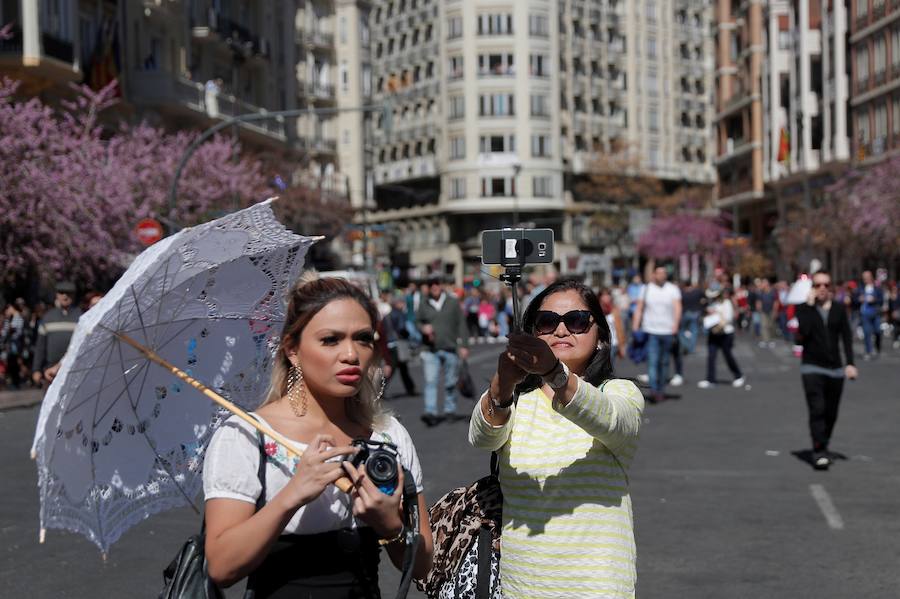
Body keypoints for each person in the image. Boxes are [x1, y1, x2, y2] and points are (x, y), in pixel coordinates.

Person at [203, 276, 433, 597]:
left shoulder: (388, 435)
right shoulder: (244, 435)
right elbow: (221, 566)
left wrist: (390, 526)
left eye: (364, 338)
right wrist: (292, 495)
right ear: (292, 349)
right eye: (330, 340)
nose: (351, 354)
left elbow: (422, 566)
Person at [469, 279, 644, 598]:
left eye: (576, 321)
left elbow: (612, 419)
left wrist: (555, 373)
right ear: (533, 333)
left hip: (596, 585)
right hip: (523, 584)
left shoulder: (618, 393)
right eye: (547, 322)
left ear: (601, 337)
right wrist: (500, 387)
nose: (561, 331)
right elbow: (482, 438)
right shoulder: (518, 400)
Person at [795, 271, 858, 470]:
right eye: (818, 285)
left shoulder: (839, 309)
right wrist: (809, 306)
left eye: (826, 285)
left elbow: (846, 338)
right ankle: (818, 450)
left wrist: (850, 363)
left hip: (835, 368)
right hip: (811, 366)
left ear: (831, 288)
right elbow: (801, 334)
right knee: (817, 409)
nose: (822, 288)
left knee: (831, 413)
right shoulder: (804, 309)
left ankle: (824, 443)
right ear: (812, 288)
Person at [416, 277, 469, 426]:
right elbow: (417, 321)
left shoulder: (452, 302)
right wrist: (423, 328)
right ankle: (430, 412)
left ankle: (450, 410)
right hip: (430, 349)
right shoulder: (424, 302)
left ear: (441, 285)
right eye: (431, 284)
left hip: (450, 347)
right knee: (430, 381)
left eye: (437, 284)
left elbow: (461, 324)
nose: (434, 286)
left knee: (450, 382)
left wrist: (464, 345)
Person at [632, 266, 682, 404]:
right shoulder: (646, 289)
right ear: (654, 274)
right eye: (659, 273)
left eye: (664, 272)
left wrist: (676, 325)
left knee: (664, 362)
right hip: (651, 330)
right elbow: (639, 308)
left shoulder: (672, 289)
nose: (662, 275)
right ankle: (654, 391)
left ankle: (661, 389)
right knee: (653, 362)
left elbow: (678, 307)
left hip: (668, 331)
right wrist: (635, 326)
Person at [32, 281, 81, 387]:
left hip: (74, 370)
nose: (65, 296)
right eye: (61, 293)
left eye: (69, 293)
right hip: (50, 372)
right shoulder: (48, 317)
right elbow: (40, 346)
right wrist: (36, 369)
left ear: (74, 295)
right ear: (57, 295)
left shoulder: (81, 317)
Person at [697, 287, 745, 389]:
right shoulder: (711, 304)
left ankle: (738, 375)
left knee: (727, 355)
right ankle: (710, 379)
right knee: (711, 356)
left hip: (725, 333)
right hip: (713, 333)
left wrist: (716, 318)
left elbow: (728, 318)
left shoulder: (726, 303)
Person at [857, 270, 884, 360]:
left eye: (867, 277)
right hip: (865, 313)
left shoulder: (877, 288)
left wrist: (874, 300)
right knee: (867, 333)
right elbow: (854, 299)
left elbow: (881, 300)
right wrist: (859, 299)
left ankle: (877, 348)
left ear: (871, 277)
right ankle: (868, 351)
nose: (866, 279)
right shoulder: (860, 287)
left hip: (875, 312)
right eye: (864, 278)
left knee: (877, 331)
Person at [598, 287, 626, 367]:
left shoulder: (614, 310)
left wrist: (622, 345)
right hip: (601, 344)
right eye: (603, 295)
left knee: (610, 367)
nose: (606, 297)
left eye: (607, 295)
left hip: (613, 343)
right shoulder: (596, 310)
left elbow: (620, 328)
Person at [679, 279, 704, 354]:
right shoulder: (697, 291)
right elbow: (704, 299)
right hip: (695, 313)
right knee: (694, 331)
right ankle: (691, 348)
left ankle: (686, 344)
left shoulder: (682, 292)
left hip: (685, 313)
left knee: (681, 331)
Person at [756, 278, 779, 348]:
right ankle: (765, 340)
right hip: (763, 311)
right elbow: (758, 301)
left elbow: (776, 302)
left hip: (771, 310)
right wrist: (758, 308)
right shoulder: (760, 292)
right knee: (763, 325)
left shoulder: (773, 291)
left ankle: (771, 340)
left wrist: (775, 311)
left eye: (763, 283)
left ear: (767, 284)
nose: (762, 284)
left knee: (771, 325)